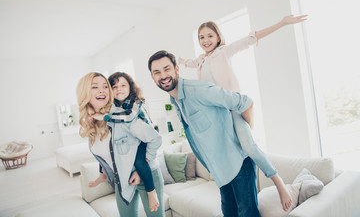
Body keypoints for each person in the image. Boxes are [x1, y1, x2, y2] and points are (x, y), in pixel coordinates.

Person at [177, 15, 307, 211]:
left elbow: (251, 38)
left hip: (233, 110)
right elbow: (186, 63)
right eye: (201, 37)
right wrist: (177, 61)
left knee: (249, 147)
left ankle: (279, 183)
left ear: (218, 37)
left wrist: (282, 23)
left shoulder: (224, 51)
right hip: (217, 117)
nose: (206, 41)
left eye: (210, 36)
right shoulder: (201, 60)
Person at [148, 50, 260, 216]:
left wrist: (246, 137)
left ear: (177, 69)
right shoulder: (175, 100)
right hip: (220, 171)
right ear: (152, 77)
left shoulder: (199, 89)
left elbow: (245, 103)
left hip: (239, 163)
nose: (163, 75)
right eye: (157, 72)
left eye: (167, 69)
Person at [76, 72, 165, 217]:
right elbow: (108, 153)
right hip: (122, 180)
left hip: (146, 174)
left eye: (105, 86)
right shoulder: (93, 121)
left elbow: (155, 139)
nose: (102, 90)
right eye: (95, 87)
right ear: (85, 92)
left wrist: (142, 170)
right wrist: (103, 174)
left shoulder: (123, 115)